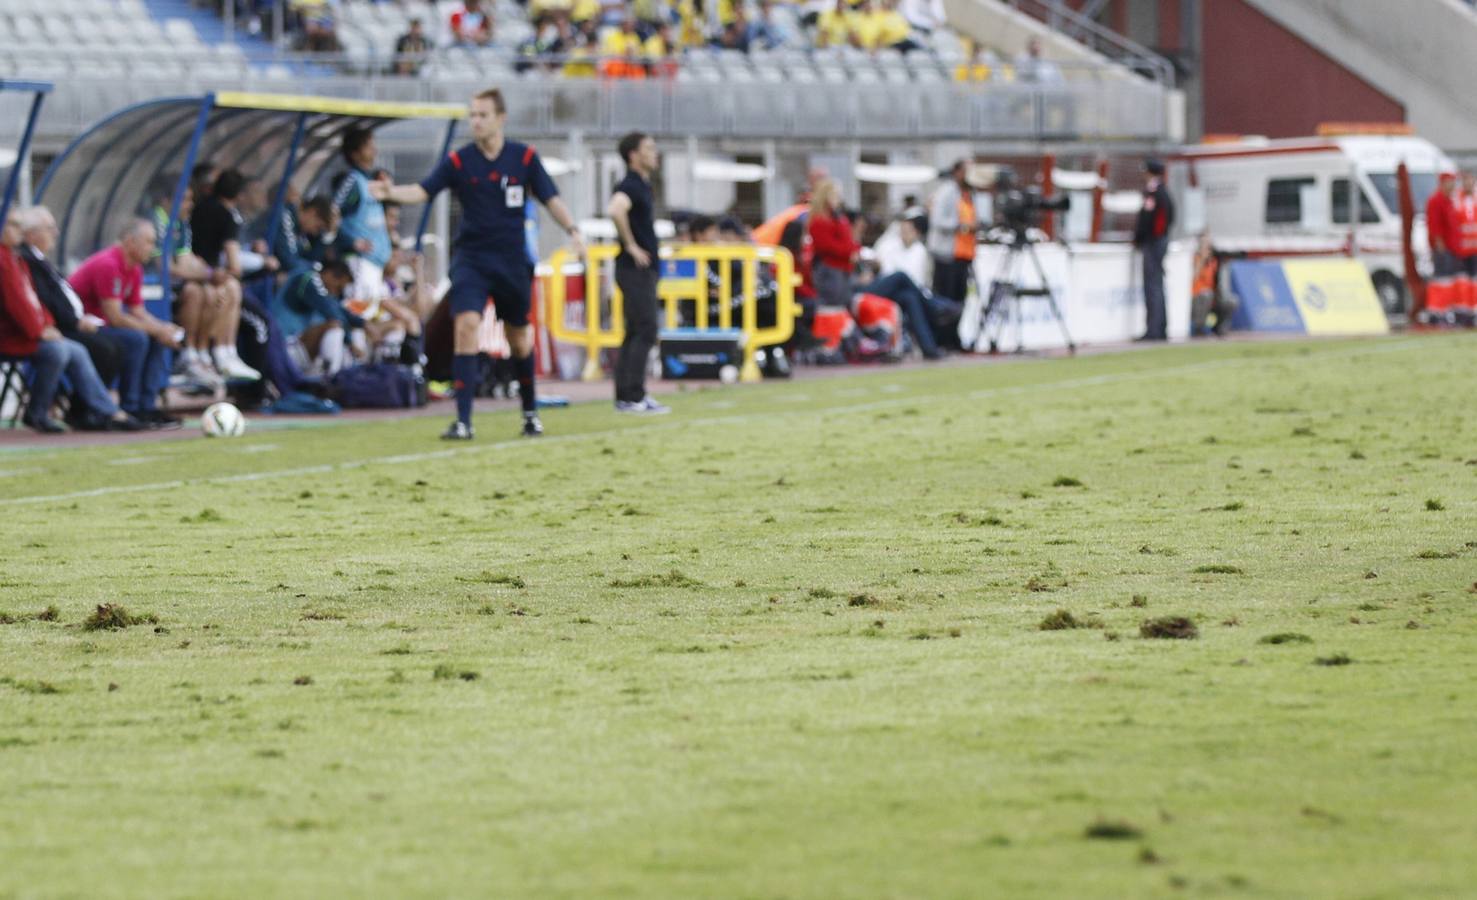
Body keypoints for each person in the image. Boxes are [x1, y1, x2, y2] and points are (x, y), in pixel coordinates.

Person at [370, 88, 584, 440]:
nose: (476, 121)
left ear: (501, 118)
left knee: (518, 339)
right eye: (472, 115)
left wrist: (573, 230)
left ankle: (530, 412)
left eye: (482, 115)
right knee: (466, 324)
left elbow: (551, 198)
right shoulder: (460, 161)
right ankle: (464, 420)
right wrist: (391, 192)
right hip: (472, 259)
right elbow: (424, 191)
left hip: (513, 261)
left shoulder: (524, 158)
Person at [1, 211, 144, 433]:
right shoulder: (7, 260)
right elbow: (17, 304)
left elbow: (34, 303)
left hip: (31, 331)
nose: (18, 230)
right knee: (59, 351)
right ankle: (43, 412)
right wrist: (40, 330)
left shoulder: (14, 258)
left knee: (78, 350)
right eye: (12, 224)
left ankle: (103, 410)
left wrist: (45, 325)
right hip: (14, 336)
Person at [68, 220, 182, 428]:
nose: (153, 248)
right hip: (83, 326)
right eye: (148, 242)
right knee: (137, 339)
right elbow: (116, 317)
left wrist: (164, 329)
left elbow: (138, 310)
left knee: (156, 338)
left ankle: (147, 406)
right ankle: (131, 406)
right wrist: (157, 330)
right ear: (130, 242)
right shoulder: (108, 264)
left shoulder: (135, 268)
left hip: (104, 325)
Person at [18, 206, 128, 391]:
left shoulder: (38, 258)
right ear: (31, 234)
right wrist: (76, 322)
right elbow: (43, 299)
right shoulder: (26, 259)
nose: (56, 233)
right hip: (59, 327)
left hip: (69, 323)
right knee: (104, 349)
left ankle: (95, 408)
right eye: (50, 228)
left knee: (119, 345)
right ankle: (87, 410)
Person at [606, 132, 670, 414]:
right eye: (648, 148)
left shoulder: (643, 185)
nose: (654, 153)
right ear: (633, 154)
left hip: (640, 270)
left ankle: (627, 395)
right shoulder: (630, 184)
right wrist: (630, 245)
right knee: (645, 329)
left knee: (635, 331)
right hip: (635, 270)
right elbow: (615, 209)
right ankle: (633, 396)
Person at [190, 169, 266, 380]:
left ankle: (217, 353)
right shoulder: (227, 215)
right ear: (240, 195)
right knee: (231, 289)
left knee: (226, 289)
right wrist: (238, 270)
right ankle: (221, 352)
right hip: (203, 276)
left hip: (198, 272)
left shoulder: (200, 208)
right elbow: (234, 261)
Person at [271, 261, 363, 374]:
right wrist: (350, 342)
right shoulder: (308, 278)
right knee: (334, 327)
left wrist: (366, 324)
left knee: (349, 331)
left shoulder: (323, 291)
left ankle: (336, 377)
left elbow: (340, 310)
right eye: (339, 287)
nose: (337, 292)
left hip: (294, 347)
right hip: (279, 344)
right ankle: (331, 379)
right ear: (329, 274)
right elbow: (332, 312)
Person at [1133, 157, 1174, 342]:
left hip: (1154, 243)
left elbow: (1148, 219)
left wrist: (1140, 238)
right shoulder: (1164, 191)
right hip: (1160, 241)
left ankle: (1154, 330)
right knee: (1158, 285)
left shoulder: (1153, 192)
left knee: (1153, 286)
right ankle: (1161, 328)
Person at [927, 160, 977, 304]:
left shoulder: (967, 194)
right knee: (945, 299)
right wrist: (963, 226)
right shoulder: (947, 191)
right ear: (957, 173)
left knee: (959, 298)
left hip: (963, 256)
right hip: (947, 256)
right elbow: (937, 220)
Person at [807, 179, 858, 310]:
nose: (838, 199)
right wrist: (849, 251)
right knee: (833, 307)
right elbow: (828, 247)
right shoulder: (818, 221)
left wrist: (853, 250)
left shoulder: (838, 218)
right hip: (830, 271)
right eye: (835, 195)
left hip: (843, 269)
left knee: (844, 305)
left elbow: (850, 240)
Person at [1424, 171, 1461, 321]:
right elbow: (1435, 226)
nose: (1453, 185)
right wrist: (1440, 246)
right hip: (1442, 248)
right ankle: (1437, 311)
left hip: (1451, 248)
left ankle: (1445, 309)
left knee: (1447, 280)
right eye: (1450, 182)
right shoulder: (1436, 200)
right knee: (1441, 280)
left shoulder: (1449, 200)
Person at [1188, 234, 1234, 337]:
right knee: (1206, 294)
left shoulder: (1214, 261)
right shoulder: (1196, 258)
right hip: (1198, 296)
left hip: (1212, 296)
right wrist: (1202, 260)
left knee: (1230, 301)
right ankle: (1198, 328)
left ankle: (1218, 327)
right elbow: (1194, 277)